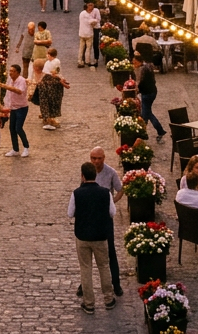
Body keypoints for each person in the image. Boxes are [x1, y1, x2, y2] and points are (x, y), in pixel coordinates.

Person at [67, 162, 116, 314]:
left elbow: (70, 213)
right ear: (95, 175)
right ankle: (108, 299)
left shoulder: (76, 193)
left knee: (86, 269)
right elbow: (112, 212)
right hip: (100, 236)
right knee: (104, 266)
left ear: (82, 176)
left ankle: (89, 303)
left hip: (82, 236)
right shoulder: (105, 193)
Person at [89, 146, 125, 297]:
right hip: (91, 217)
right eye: (93, 158)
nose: (96, 161)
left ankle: (116, 284)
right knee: (88, 252)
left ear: (104, 158)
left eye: (99, 158)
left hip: (105, 218)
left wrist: (112, 203)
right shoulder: (87, 171)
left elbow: (120, 189)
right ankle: (83, 285)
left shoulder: (110, 172)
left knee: (110, 251)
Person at [132, 50, 167, 141]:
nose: (134, 64)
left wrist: (136, 90)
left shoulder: (142, 70)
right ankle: (145, 132)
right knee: (147, 112)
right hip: (152, 92)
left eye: (134, 62)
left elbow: (140, 83)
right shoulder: (148, 66)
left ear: (139, 62)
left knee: (146, 114)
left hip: (147, 94)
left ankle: (154, 131)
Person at [0, 64, 30, 157]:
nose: (10, 73)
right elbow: (8, 95)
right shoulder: (10, 80)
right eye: (10, 71)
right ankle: (15, 149)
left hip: (22, 108)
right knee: (12, 128)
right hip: (13, 107)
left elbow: (19, 91)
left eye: (12, 71)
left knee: (18, 128)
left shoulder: (22, 81)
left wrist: (5, 86)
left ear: (17, 72)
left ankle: (26, 147)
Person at [38, 48, 69, 129]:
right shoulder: (49, 62)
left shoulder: (55, 62)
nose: (47, 56)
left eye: (48, 54)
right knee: (51, 100)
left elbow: (55, 72)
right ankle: (49, 117)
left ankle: (48, 117)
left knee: (49, 100)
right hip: (51, 82)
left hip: (51, 82)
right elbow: (51, 73)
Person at [78, 1, 100, 67]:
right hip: (88, 34)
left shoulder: (81, 13)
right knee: (88, 48)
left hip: (81, 33)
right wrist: (95, 21)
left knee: (81, 48)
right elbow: (94, 22)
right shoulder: (89, 16)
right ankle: (88, 61)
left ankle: (80, 61)